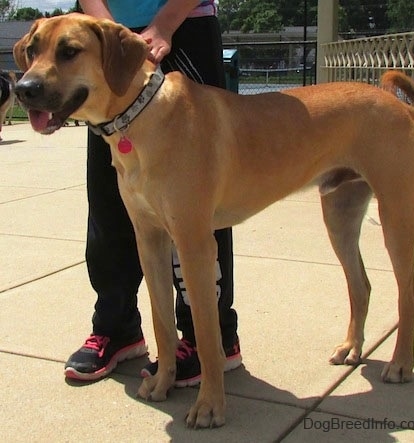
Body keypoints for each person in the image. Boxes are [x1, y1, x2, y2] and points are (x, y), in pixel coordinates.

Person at [64, 0, 241, 386]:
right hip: (103, 38)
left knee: (197, 205)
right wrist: (108, 34)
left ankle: (208, 337)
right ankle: (118, 326)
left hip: (182, 27)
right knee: (111, 201)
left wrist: (166, 22)